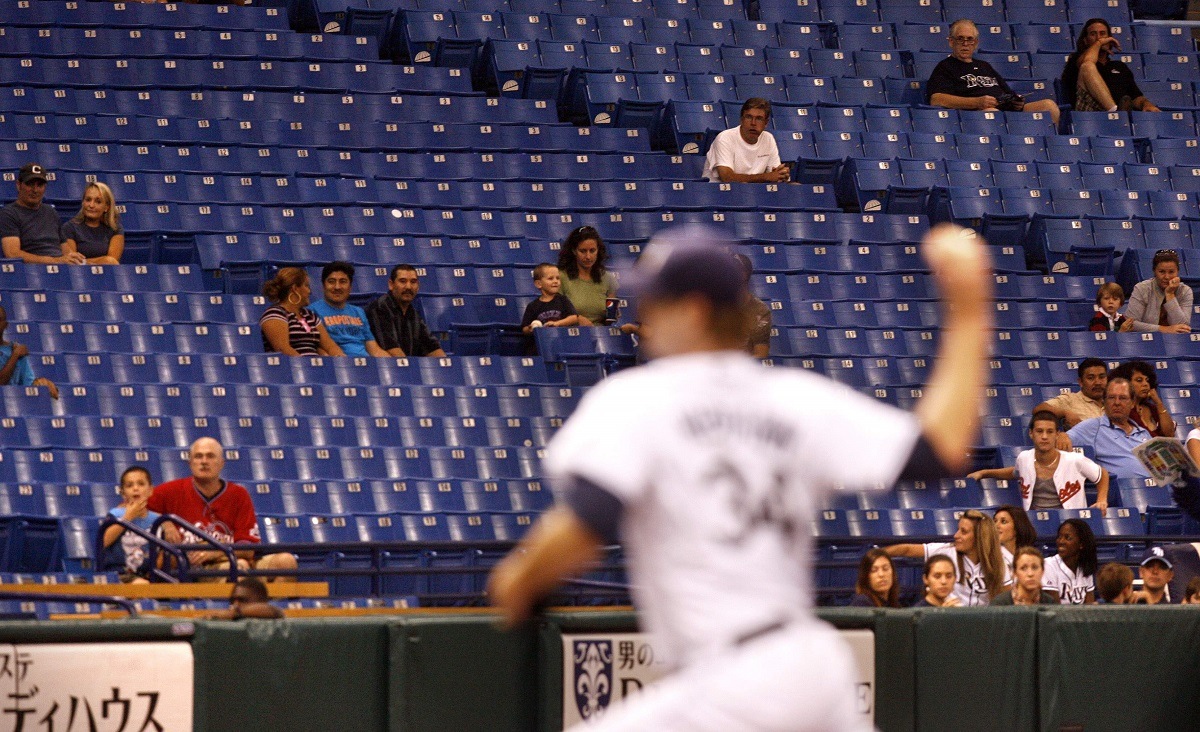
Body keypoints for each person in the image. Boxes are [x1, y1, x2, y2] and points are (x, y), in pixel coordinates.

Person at [487, 222, 994, 732]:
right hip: (813, 668)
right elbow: (939, 449)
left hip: (732, 678)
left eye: (655, 302)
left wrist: (519, 580)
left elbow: (585, 526)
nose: (645, 316)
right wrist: (970, 306)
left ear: (694, 310)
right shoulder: (794, 398)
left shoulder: (639, 398)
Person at [148, 437, 298, 582]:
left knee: (287, 562)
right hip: (196, 568)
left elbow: (248, 548)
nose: (204, 462)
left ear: (221, 463)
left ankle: (269, 607)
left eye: (210, 456)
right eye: (198, 456)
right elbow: (131, 508)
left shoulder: (238, 494)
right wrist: (163, 521)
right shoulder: (169, 491)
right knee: (240, 567)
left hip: (230, 558)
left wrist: (215, 551)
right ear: (190, 463)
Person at [969, 410, 1109, 512]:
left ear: (1057, 435)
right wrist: (984, 472)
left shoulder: (1074, 460)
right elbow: (1014, 472)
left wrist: (1101, 500)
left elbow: (1102, 474)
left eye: (1049, 432)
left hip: (1070, 522)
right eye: (1039, 431)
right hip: (1034, 521)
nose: (1044, 437)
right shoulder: (1024, 458)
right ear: (1031, 433)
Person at [926, 19, 1060, 125]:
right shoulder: (945, 67)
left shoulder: (984, 66)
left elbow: (1007, 93)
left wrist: (1016, 102)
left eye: (970, 39)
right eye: (960, 39)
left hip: (1006, 112)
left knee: (1048, 106)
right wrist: (977, 102)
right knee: (991, 113)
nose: (965, 44)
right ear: (951, 42)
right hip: (975, 116)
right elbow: (936, 99)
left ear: (976, 43)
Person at [886, 509, 1012, 607]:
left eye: (963, 532)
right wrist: (876, 556)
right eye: (958, 530)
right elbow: (907, 550)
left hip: (983, 623)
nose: (956, 535)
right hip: (950, 617)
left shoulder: (999, 561)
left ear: (979, 537)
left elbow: (1005, 601)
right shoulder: (947, 551)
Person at [1062, 18, 1161, 113]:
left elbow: (1136, 96)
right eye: (1093, 34)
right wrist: (1099, 43)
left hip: (1119, 115)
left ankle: (1117, 113)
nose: (1098, 37)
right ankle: (1115, 111)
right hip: (1089, 113)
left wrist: (1146, 104)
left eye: (1102, 34)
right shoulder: (1076, 59)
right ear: (1085, 40)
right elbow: (1087, 62)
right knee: (1088, 66)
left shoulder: (1120, 67)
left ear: (1110, 38)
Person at [1065, 377, 1152, 480]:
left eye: (1123, 398)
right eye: (1111, 398)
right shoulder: (1093, 427)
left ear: (1132, 403)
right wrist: (1063, 436)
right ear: (1104, 401)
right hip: (1120, 492)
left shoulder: (1143, 433)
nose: (1117, 403)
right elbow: (1059, 441)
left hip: (1156, 490)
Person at [0, 163, 85, 265]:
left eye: (39, 185)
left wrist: (73, 258)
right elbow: (13, 254)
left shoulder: (51, 212)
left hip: (61, 269)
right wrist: (54, 261)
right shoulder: (8, 213)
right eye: (30, 184)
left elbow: (65, 250)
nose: (35, 190)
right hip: (32, 272)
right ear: (19, 185)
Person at [308, 261, 388, 358]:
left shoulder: (358, 312)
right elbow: (316, 348)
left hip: (366, 364)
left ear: (350, 287)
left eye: (343, 282)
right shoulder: (311, 312)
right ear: (323, 286)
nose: (337, 287)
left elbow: (374, 349)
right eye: (331, 281)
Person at [701, 98, 791, 183]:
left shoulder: (768, 139)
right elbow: (727, 177)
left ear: (766, 123)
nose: (753, 123)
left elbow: (774, 174)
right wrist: (766, 177)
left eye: (759, 119)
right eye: (748, 117)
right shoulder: (725, 138)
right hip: (719, 194)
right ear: (741, 120)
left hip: (752, 194)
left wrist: (781, 175)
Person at [259, 267, 344, 357]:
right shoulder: (275, 313)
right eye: (306, 286)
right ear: (295, 288)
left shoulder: (310, 315)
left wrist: (342, 361)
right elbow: (283, 350)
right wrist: (307, 367)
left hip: (317, 367)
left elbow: (330, 346)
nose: (309, 291)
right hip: (292, 368)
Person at [365, 264, 447, 358]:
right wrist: (410, 370)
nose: (408, 287)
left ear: (418, 286)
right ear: (391, 285)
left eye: (413, 282)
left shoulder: (413, 313)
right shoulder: (379, 308)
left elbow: (432, 347)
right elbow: (392, 350)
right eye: (403, 281)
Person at [101, 466, 160, 584]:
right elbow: (103, 541)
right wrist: (127, 517)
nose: (135, 488)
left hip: (149, 574)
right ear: (123, 493)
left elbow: (161, 552)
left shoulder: (157, 519)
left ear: (150, 490)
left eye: (141, 484)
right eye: (129, 485)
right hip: (119, 574)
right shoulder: (115, 515)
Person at [555, 226, 619, 328]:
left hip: (601, 334)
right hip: (571, 333)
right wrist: (577, 319)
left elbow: (610, 320)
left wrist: (612, 316)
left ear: (598, 250)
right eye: (583, 251)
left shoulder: (608, 278)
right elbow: (554, 313)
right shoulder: (560, 276)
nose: (588, 256)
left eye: (592, 250)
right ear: (574, 251)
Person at [1123, 249, 1192, 334]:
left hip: (1176, 342)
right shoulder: (1142, 288)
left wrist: (1170, 294)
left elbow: (1183, 327)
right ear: (1154, 271)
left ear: (1177, 272)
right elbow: (1130, 323)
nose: (1167, 277)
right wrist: (1164, 329)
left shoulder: (1185, 291)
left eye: (1171, 272)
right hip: (1145, 342)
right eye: (1162, 272)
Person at [0, 305, 60, 398]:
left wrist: (42, 384)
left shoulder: (16, 349)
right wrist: (14, 356)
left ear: (6, 325)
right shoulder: (17, 352)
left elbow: (28, 384)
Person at [521, 262, 580, 354]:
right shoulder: (533, 306)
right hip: (543, 345)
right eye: (550, 278)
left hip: (563, 342)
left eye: (558, 278)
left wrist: (557, 324)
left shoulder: (563, 300)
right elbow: (524, 328)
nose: (556, 281)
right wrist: (530, 329)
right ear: (538, 284)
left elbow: (574, 318)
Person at [1033, 358, 1107, 430]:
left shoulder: (1115, 401)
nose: (1098, 382)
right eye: (1091, 378)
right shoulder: (1070, 399)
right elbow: (1039, 409)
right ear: (1080, 382)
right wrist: (1064, 413)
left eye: (1102, 377)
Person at [60, 181, 123, 265]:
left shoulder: (115, 228)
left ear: (106, 207)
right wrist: (103, 260)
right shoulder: (69, 228)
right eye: (88, 200)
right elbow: (72, 262)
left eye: (98, 201)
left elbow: (112, 262)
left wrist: (85, 262)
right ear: (83, 202)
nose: (91, 205)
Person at [1109, 360, 1176, 437]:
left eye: (1147, 380)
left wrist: (1158, 403)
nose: (1145, 384)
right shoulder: (1120, 410)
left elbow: (1170, 434)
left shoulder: (1152, 408)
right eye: (1139, 380)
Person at [1042, 518, 1098, 605]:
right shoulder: (1048, 565)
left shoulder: (1085, 566)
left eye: (1067, 538)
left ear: (1081, 544)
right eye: (1059, 537)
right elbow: (1054, 609)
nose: (1061, 541)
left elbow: (1089, 608)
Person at [734, 253, 771, 359]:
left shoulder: (759, 310)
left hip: (744, 370)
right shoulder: (715, 305)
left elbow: (761, 353)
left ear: (744, 274)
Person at [992, 546, 1058, 605]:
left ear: (1042, 571)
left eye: (1035, 567)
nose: (1030, 574)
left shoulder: (1050, 603)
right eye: (1023, 568)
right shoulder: (1000, 604)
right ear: (1015, 573)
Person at [208, 577, 284, 620]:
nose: (235, 604)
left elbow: (274, 611)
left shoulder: (273, 620)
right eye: (233, 600)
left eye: (242, 600)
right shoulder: (230, 623)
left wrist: (236, 613)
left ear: (261, 601)